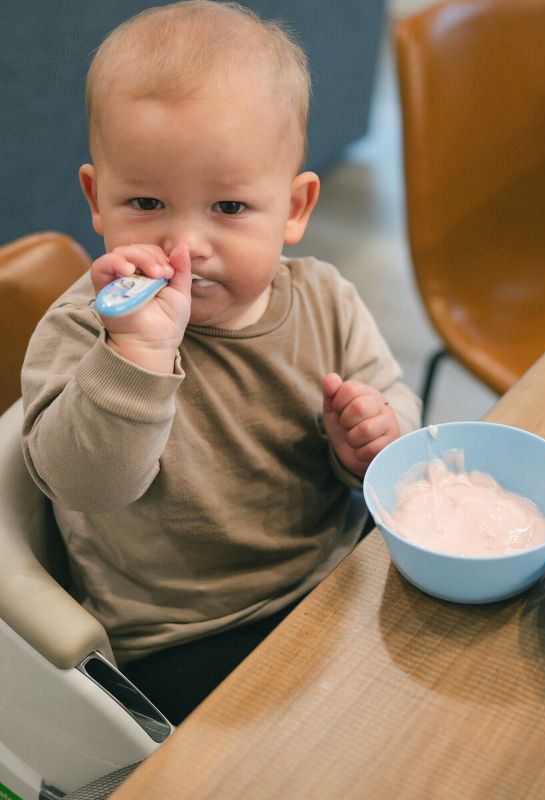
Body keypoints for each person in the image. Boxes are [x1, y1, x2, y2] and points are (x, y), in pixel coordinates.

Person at [21, 0, 420, 723]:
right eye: (146, 202)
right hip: (187, 635)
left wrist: (375, 437)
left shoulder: (326, 300)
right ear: (95, 200)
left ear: (294, 208)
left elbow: (396, 406)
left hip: (336, 569)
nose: (186, 245)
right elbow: (85, 486)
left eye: (229, 208)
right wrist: (137, 355)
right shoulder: (83, 331)